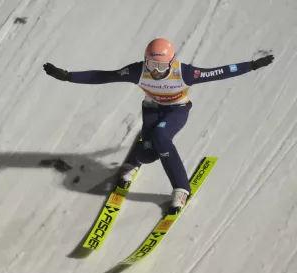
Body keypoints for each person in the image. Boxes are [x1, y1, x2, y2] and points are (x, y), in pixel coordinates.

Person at [43, 38, 274, 214]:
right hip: (152, 110)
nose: (154, 70)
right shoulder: (138, 70)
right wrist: (67, 76)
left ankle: (181, 189)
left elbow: (221, 72)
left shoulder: (185, 73)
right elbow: (103, 76)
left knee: (161, 137)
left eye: (160, 64)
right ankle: (135, 161)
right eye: (151, 63)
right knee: (149, 150)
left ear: (171, 62)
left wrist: (252, 65)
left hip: (177, 110)